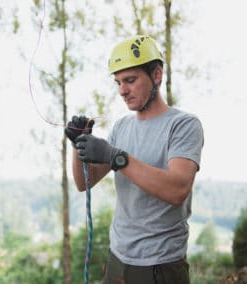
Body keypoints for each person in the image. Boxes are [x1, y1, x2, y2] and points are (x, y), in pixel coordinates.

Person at [64, 35, 204, 284]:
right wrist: (78, 145)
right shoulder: (121, 127)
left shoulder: (183, 125)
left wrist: (114, 156)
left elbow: (177, 189)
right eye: (118, 82)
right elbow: (84, 182)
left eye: (130, 80)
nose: (122, 91)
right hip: (118, 258)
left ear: (157, 76)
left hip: (160, 265)